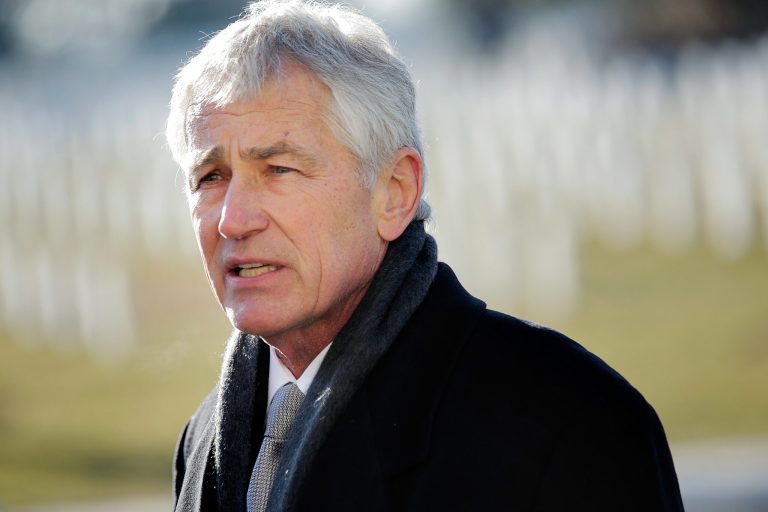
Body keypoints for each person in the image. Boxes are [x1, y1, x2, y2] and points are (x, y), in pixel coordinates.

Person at [165, 1, 685, 511]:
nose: (232, 219)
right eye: (210, 178)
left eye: (279, 169)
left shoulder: (568, 423)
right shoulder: (202, 443)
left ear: (393, 192)